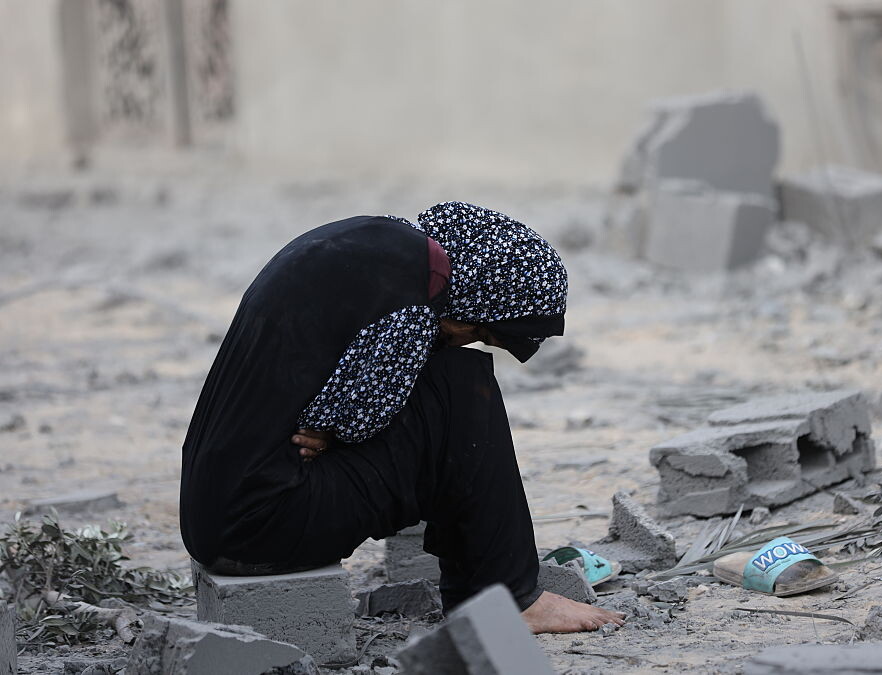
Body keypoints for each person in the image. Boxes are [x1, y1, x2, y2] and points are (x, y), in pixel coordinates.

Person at [179, 201, 625, 633]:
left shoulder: (373, 245)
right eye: (478, 330)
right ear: (479, 294)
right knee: (464, 391)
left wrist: (331, 433)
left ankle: (492, 585)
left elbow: (328, 407)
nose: (464, 339)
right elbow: (352, 424)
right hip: (264, 526)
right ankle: (509, 596)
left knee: (446, 385)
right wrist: (335, 433)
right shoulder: (410, 306)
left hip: (220, 513)